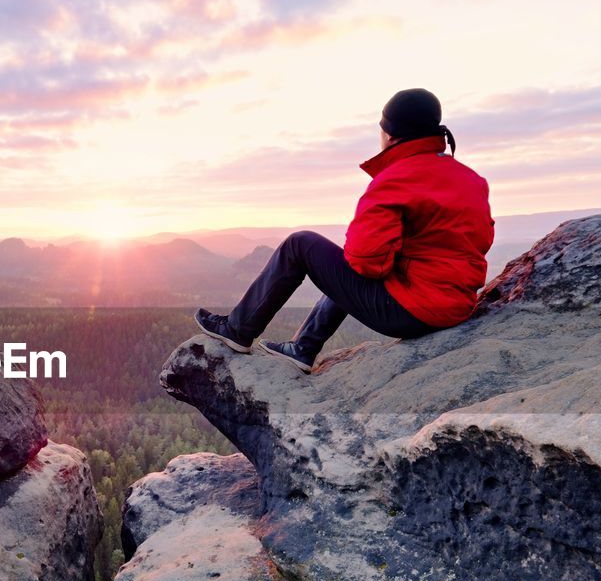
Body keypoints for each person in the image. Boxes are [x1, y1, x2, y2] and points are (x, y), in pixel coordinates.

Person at [195, 88, 493, 372]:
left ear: (390, 135)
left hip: (410, 312)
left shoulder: (396, 179)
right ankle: (303, 349)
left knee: (301, 245)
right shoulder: (471, 179)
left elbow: (365, 263)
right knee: (346, 264)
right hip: (456, 307)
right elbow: (480, 239)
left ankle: (237, 330)